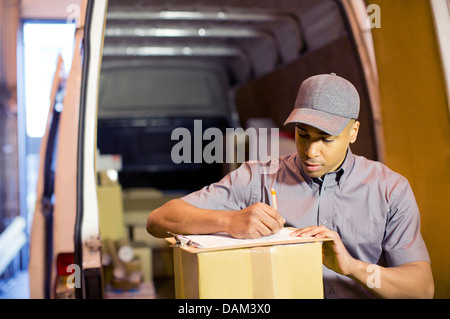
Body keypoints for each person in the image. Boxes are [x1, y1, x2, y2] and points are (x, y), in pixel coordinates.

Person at [146, 73, 434, 299]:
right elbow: (158, 220)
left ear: (353, 132)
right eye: (303, 134)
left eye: (326, 139)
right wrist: (230, 220)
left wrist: (354, 268)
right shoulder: (256, 178)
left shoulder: (390, 189)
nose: (310, 151)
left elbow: (421, 289)